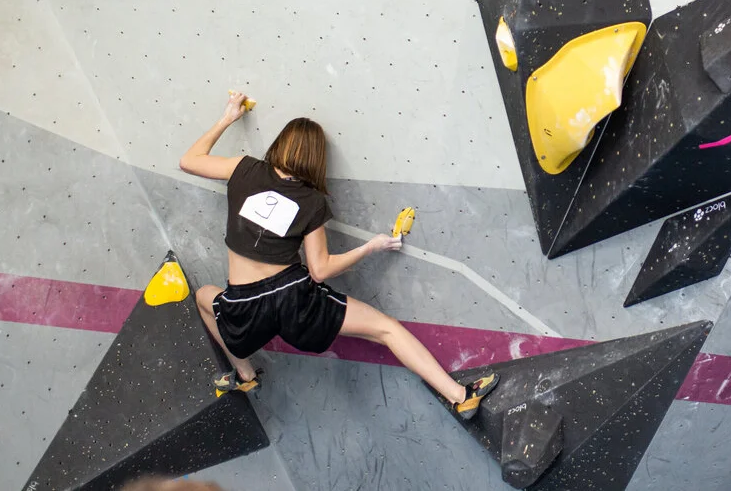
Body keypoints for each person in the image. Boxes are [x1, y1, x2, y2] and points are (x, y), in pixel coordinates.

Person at [179, 91, 498, 419]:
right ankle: (460, 395)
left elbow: (188, 161)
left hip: (244, 307)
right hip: (294, 304)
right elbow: (320, 270)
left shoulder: (244, 170)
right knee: (387, 329)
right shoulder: (312, 201)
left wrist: (227, 118)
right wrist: (369, 247)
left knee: (205, 297)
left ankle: (245, 375)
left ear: (278, 144)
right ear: (318, 160)